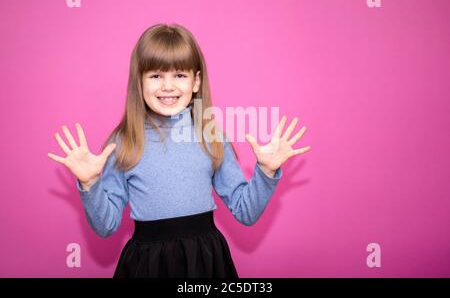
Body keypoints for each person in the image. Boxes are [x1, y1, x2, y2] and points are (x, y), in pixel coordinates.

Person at [47, 23, 311, 278]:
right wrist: (90, 183)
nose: (168, 86)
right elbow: (106, 226)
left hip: (205, 261)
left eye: (180, 75)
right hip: (147, 263)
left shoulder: (211, 136)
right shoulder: (124, 141)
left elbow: (246, 212)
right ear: (139, 82)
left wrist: (266, 171)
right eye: (156, 75)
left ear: (196, 81)